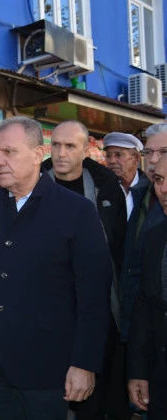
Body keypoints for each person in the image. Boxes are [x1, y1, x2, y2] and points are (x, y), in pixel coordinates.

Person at [0, 116, 113, 419]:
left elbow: (94, 296)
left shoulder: (77, 210)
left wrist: (85, 363)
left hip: (50, 367)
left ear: (38, 154)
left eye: (9, 152)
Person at [42, 121, 128, 419]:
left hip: (99, 308)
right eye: (56, 145)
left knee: (94, 400)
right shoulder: (35, 186)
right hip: (48, 313)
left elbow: (120, 251)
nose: (61, 153)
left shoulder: (107, 189)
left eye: (70, 146)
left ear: (85, 150)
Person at [126, 155, 167, 418]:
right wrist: (138, 371)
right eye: (159, 180)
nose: (163, 189)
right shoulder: (154, 237)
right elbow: (145, 309)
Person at [120, 123, 167, 344]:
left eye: (163, 152)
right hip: (138, 324)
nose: (153, 159)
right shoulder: (139, 194)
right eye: (148, 152)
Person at [104, 132, 146, 220]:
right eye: (108, 155)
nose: (111, 161)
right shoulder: (101, 188)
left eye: (118, 155)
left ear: (136, 158)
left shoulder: (149, 188)